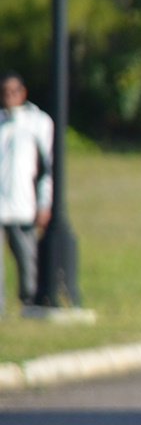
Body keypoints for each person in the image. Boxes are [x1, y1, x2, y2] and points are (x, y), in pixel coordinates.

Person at [0, 73, 54, 314]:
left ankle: (30, 302)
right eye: (4, 93)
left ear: (23, 93)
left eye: (13, 92)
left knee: (26, 258)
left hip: (24, 204)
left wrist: (44, 203)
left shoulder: (38, 123)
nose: (9, 97)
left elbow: (46, 168)